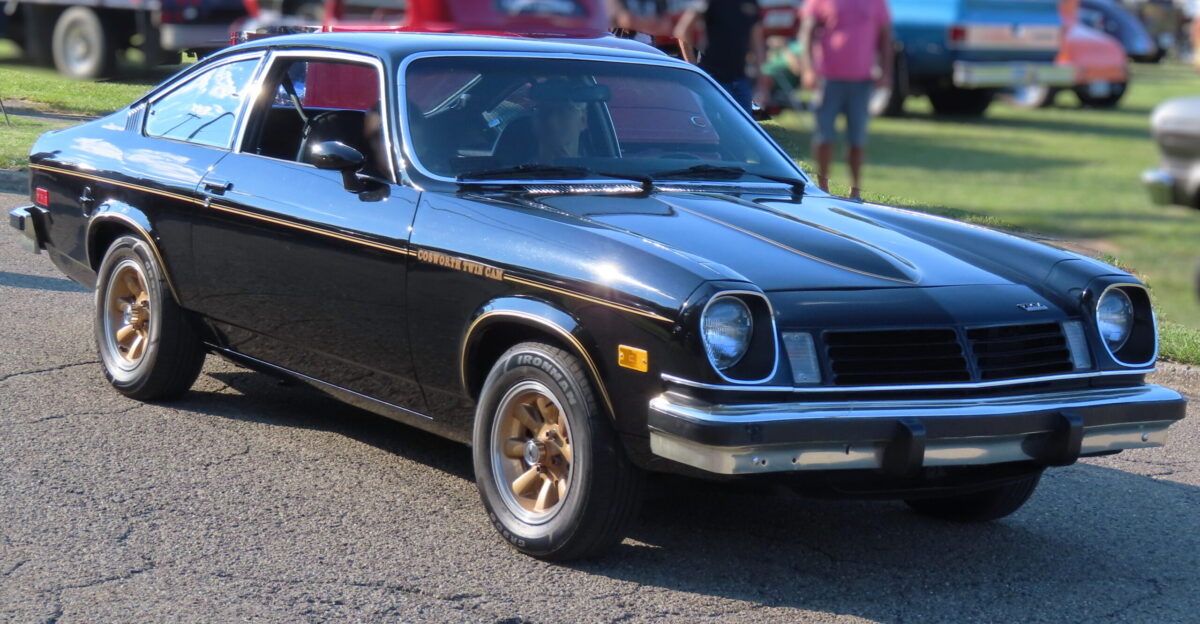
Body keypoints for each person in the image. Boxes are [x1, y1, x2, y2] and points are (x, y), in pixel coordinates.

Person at [798, 0, 892, 200]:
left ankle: (855, 190)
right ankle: (823, 187)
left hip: (862, 79)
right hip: (828, 78)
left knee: (857, 138)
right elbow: (807, 31)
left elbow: (885, 37)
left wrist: (886, 73)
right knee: (824, 136)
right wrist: (807, 68)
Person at [674, 0, 767, 114]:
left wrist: (762, 82)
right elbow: (682, 31)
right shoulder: (709, 2)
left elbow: (757, 43)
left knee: (741, 127)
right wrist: (692, 67)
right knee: (714, 127)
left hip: (741, 79)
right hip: (712, 79)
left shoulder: (751, 3)